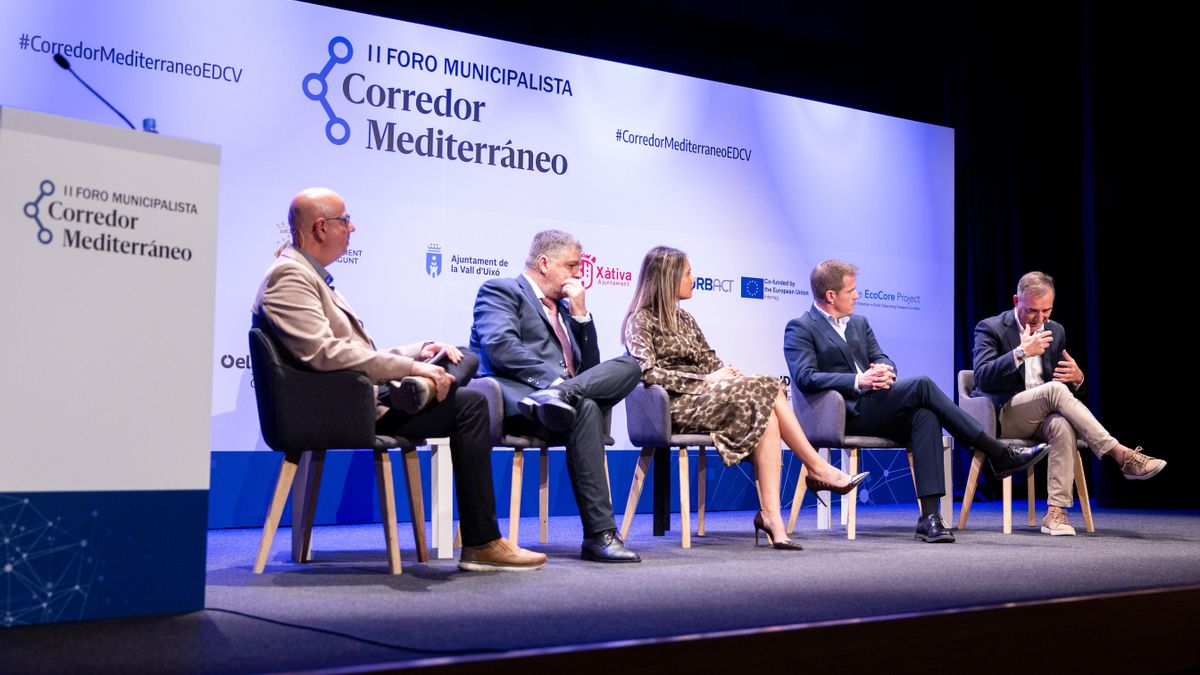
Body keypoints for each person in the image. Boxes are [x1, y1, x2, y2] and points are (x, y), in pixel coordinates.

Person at [253, 187, 545, 572]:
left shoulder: (311, 276)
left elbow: (347, 351)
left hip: (352, 400)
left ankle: (419, 391)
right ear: (321, 227)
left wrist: (418, 352)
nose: (352, 227)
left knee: (463, 355)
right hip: (336, 411)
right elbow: (326, 354)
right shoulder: (289, 276)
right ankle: (482, 542)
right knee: (471, 403)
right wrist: (410, 369)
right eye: (345, 221)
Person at [784, 259, 1049, 543]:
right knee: (922, 384)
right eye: (851, 291)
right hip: (843, 413)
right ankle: (998, 453)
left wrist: (883, 371)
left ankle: (930, 518)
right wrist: (858, 381)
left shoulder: (859, 323)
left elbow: (882, 357)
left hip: (877, 404)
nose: (857, 296)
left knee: (925, 415)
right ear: (831, 296)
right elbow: (806, 377)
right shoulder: (800, 328)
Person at [621, 247, 869, 550]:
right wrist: (706, 380)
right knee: (768, 388)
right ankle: (816, 468)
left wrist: (727, 374)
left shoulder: (685, 319)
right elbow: (646, 373)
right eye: (688, 273)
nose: (693, 279)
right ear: (667, 278)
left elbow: (709, 361)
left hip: (707, 400)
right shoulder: (640, 320)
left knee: (766, 402)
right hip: (673, 406)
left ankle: (772, 518)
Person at [471, 230, 643, 563]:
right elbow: (501, 348)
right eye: (572, 266)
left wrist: (581, 317)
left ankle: (560, 395)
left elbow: (590, 372)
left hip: (562, 404)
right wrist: (553, 381)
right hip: (520, 404)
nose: (579, 274)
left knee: (630, 366)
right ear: (544, 263)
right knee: (587, 405)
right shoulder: (501, 290)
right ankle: (599, 535)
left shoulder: (566, 310)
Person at [972, 271, 1165, 535]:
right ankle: (1121, 454)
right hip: (1005, 415)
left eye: (1046, 310)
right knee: (1053, 392)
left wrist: (1078, 379)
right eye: (1032, 311)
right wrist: (1020, 353)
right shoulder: (990, 327)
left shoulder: (1056, 330)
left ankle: (1056, 513)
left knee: (1062, 423)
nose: (1040, 319)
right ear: (1017, 300)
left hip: (1043, 413)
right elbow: (981, 377)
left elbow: (1067, 396)